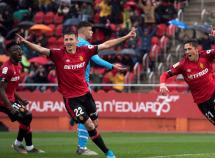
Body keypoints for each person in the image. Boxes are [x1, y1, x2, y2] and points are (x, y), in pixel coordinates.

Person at [16, 27, 136, 158]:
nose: (68, 42)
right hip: (71, 99)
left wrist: (127, 36)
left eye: (70, 39)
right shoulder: (58, 54)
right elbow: (41, 49)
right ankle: (108, 153)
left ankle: (79, 124)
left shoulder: (85, 51)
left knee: (95, 124)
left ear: (76, 40)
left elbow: (106, 44)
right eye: (66, 39)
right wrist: (25, 42)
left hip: (86, 95)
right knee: (90, 125)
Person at [159, 29, 215, 158]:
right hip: (201, 102)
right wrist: (162, 84)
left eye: (189, 49)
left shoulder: (205, 55)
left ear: (196, 49)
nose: (186, 52)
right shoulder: (183, 65)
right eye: (185, 50)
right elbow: (165, 74)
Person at [75, 21, 126, 156]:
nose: (92, 33)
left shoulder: (73, 44)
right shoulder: (83, 44)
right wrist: (112, 66)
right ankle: (82, 147)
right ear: (83, 31)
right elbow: (96, 59)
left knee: (85, 116)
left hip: (75, 85)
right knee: (86, 117)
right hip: (82, 85)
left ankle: (82, 146)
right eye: (90, 30)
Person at [0, 42, 45, 154]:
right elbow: (1, 89)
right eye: (16, 51)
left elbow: (11, 89)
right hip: (3, 101)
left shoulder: (18, 66)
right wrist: (10, 107)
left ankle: (28, 147)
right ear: (10, 54)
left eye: (20, 50)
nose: (20, 52)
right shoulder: (6, 68)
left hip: (11, 100)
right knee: (27, 116)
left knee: (26, 118)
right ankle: (17, 144)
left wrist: (20, 100)